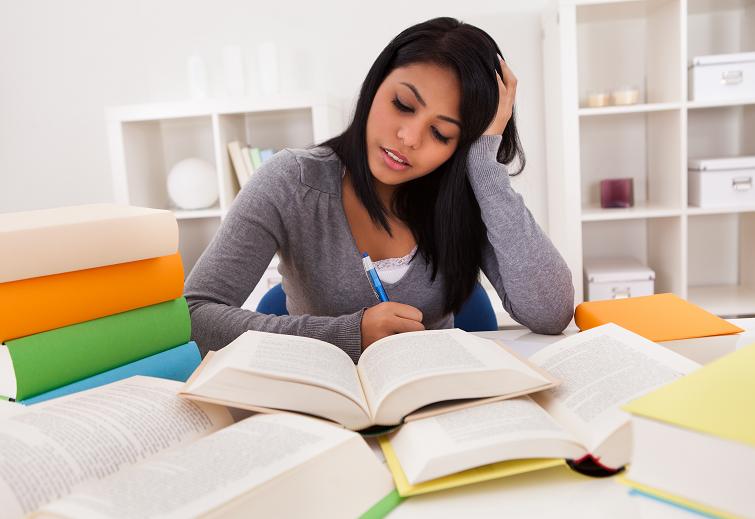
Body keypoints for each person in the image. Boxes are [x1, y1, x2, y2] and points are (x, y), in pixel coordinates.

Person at [184, 17, 574, 362]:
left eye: (441, 133)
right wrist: (346, 335)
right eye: (403, 104)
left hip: (434, 404)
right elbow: (194, 315)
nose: (409, 138)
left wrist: (486, 170)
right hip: (323, 405)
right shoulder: (290, 182)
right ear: (376, 84)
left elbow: (551, 312)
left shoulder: (465, 194)